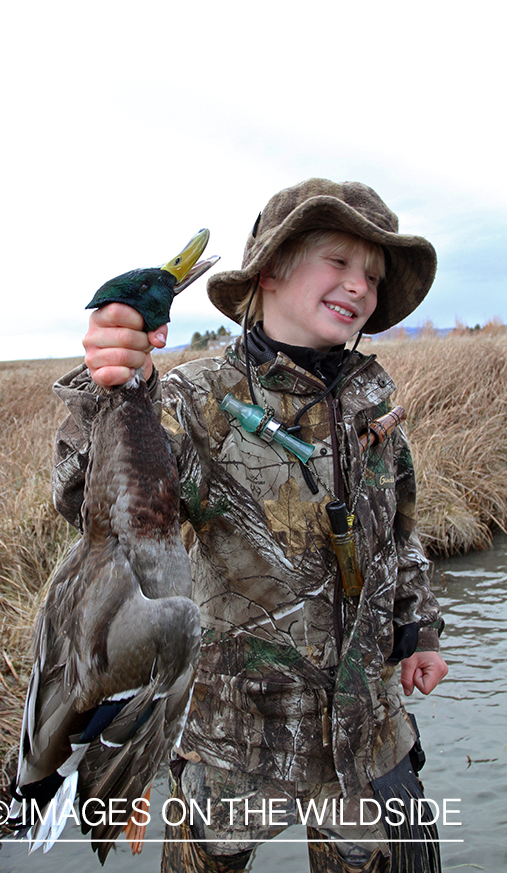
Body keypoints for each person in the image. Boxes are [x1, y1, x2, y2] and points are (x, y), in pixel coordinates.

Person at [52, 179, 448, 872]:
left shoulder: (373, 395)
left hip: (367, 734)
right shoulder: (193, 400)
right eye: (339, 261)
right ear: (269, 271)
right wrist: (109, 385)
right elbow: (86, 499)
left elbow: (398, 532)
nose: (360, 286)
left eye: (374, 274)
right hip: (232, 742)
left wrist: (418, 632)